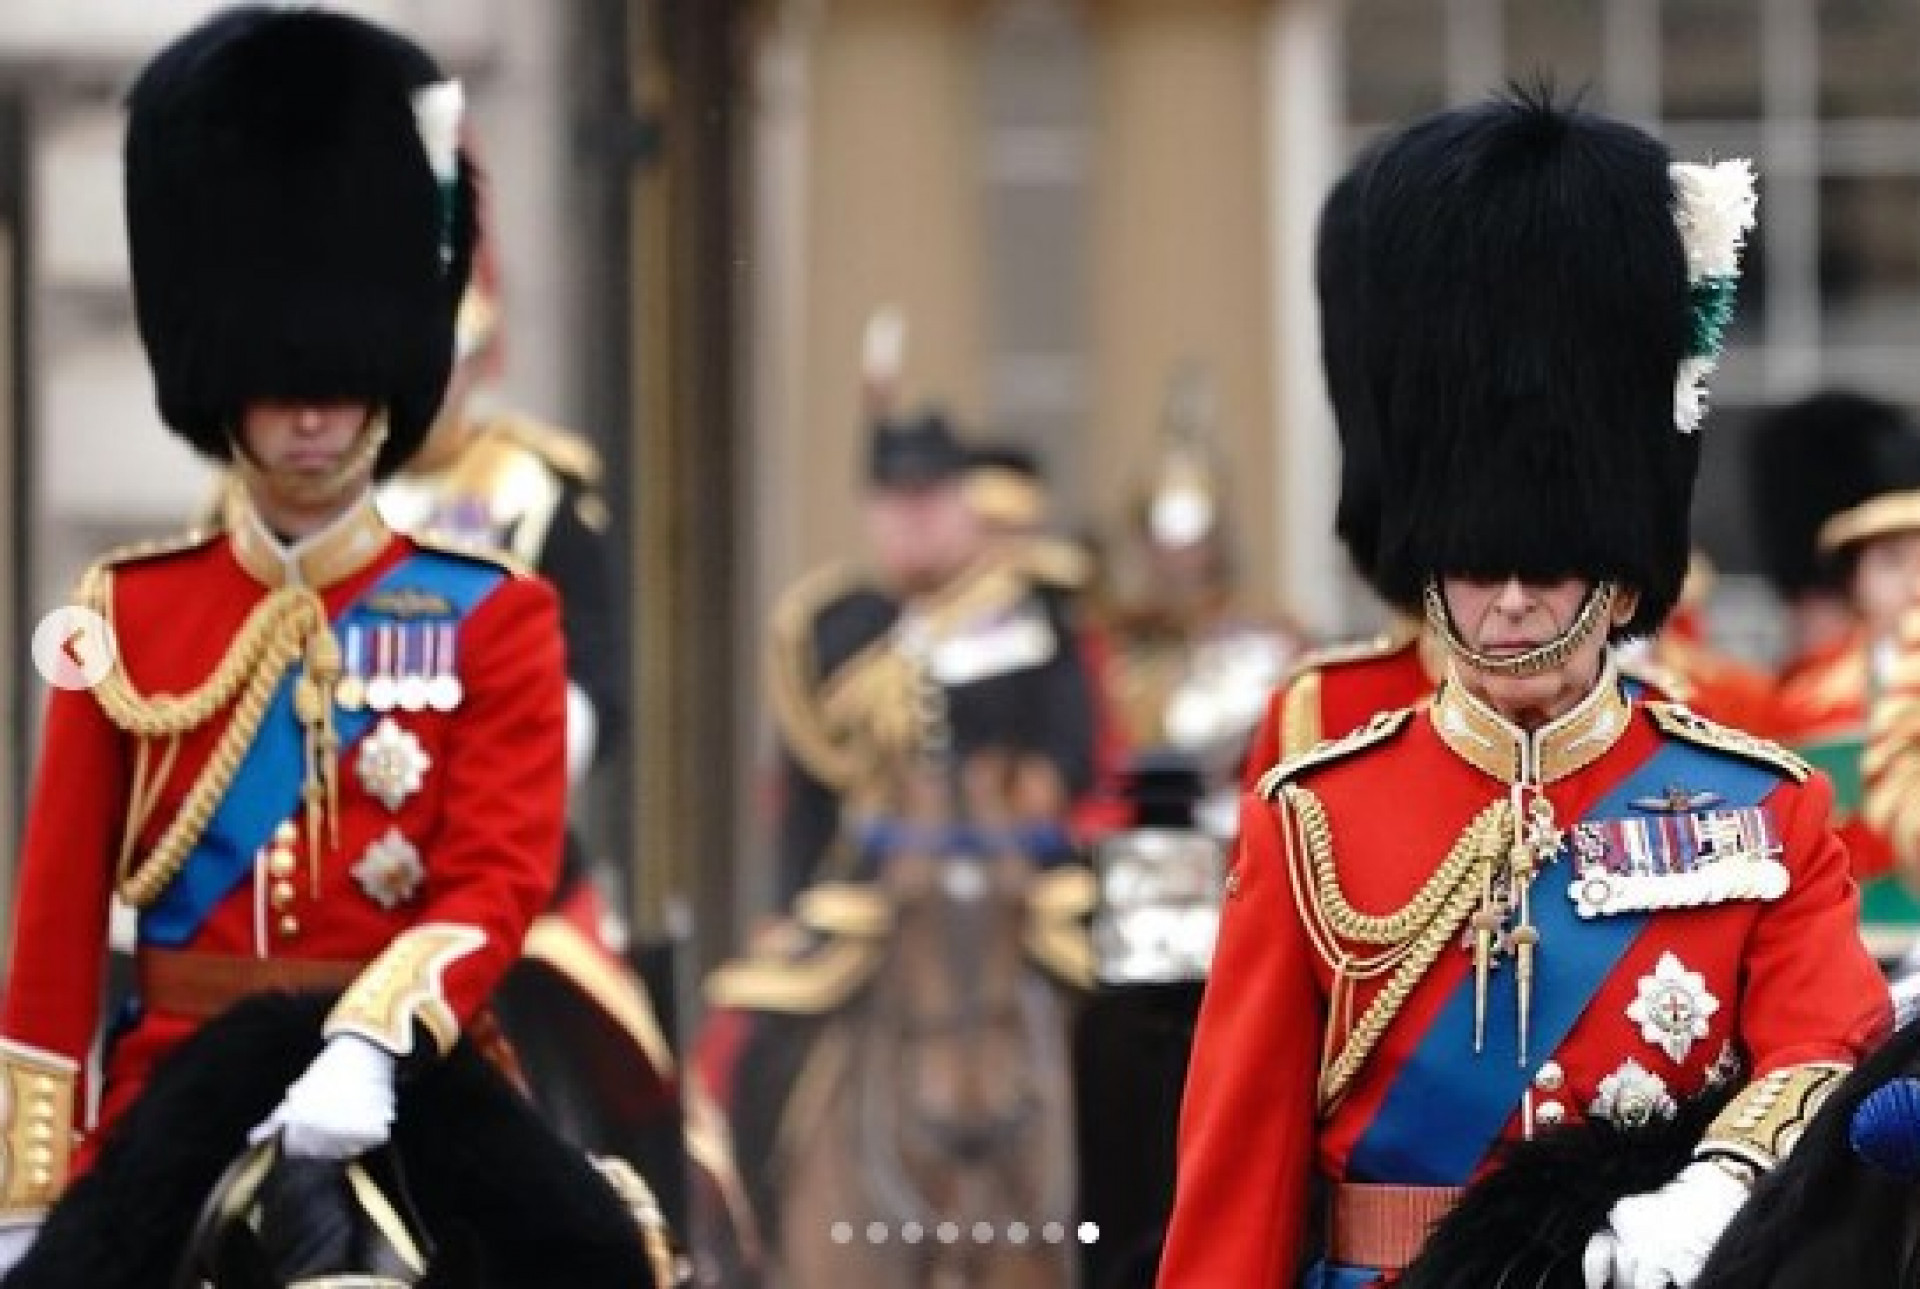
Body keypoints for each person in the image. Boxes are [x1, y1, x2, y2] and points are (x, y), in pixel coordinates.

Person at [1159, 93, 1887, 1289]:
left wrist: (1723, 1179)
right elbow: (1237, 1176)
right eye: (1477, 567)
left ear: (1613, 573)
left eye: (1542, 568)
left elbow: (1831, 1040)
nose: (1508, 602)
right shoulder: (1313, 814)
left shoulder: (1766, 805)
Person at [0, 9, 657, 1283]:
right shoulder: (122, 616)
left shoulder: (496, 613)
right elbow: (55, 938)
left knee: (601, 1258)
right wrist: (24, 1192)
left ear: (391, 376)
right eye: (278, 379)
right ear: (222, 378)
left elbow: (497, 881)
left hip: (412, 1065)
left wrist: (372, 1039)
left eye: (342, 379)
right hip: (180, 1075)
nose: (310, 413)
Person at [764, 408, 1098, 905]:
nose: (914, 518)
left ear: (966, 505)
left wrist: (1029, 788)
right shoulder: (833, 627)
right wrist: (789, 902)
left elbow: (1068, 747)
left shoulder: (1025, 610)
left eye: (931, 498)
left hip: (1017, 869)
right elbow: (810, 792)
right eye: (896, 501)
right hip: (866, 877)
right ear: (870, 512)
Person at [1762, 392, 1920, 962]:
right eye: (1894, 560)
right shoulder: (1802, 708)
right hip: (1853, 958)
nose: (1915, 585)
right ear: (1854, 578)